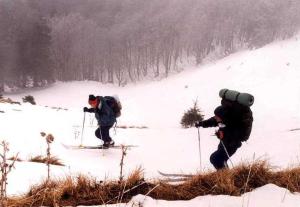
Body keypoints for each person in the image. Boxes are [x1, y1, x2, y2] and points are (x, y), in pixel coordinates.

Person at [195, 98, 253, 170]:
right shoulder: (222, 118)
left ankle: (225, 177)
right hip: (224, 143)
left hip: (231, 145)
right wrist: (201, 123)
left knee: (215, 158)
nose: (216, 118)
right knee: (220, 160)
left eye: (217, 117)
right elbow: (213, 121)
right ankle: (224, 175)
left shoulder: (232, 123)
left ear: (223, 117)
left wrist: (223, 134)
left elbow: (236, 135)